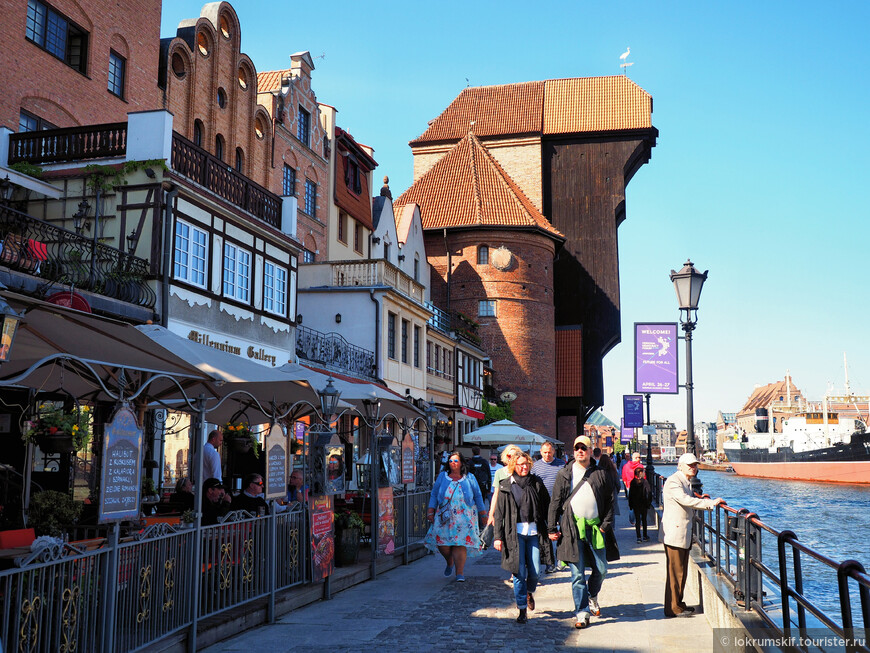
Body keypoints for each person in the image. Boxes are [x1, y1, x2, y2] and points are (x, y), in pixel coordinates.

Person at [547, 434, 615, 630]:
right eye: (576, 448)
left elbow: (611, 500)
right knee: (577, 575)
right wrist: (552, 527)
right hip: (571, 529)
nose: (579, 451)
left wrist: (605, 524)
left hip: (595, 528)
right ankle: (582, 612)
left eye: (583, 448)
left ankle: (592, 595)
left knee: (601, 570)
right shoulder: (565, 473)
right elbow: (555, 502)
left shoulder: (600, 473)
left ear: (589, 450)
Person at [661, 452, 724, 618]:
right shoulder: (674, 481)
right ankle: (673, 608)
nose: (693, 467)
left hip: (681, 532)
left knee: (680, 571)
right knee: (676, 572)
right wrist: (709, 503)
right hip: (675, 532)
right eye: (690, 465)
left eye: (695, 464)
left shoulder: (684, 481)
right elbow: (686, 501)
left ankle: (678, 605)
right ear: (680, 466)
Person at [493, 452, 552, 624]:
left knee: (534, 571)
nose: (524, 467)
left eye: (526, 464)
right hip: (514, 534)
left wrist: (551, 527)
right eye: (520, 464)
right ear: (513, 466)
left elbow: (547, 506)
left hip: (534, 532)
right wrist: (498, 537)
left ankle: (529, 592)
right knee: (519, 573)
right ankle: (521, 609)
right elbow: (499, 514)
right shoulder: (506, 485)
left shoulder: (536, 483)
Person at [424, 451, 486, 582]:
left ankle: (460, 573)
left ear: (462, 463)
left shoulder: (469, 477)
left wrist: (483, 514)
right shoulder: (442, 476)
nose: (453, 463)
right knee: (442, 543)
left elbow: (478, 495)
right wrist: (430, 510)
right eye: (451, 461)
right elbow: (434, 494)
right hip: (444, 516)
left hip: (465, 516)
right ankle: (449, 561)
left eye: (456, 461)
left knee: (460, 543)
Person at [531, 441, 565, 573]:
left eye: (549, 452)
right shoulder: (535, 467)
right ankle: (550, 563)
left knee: (564, 530)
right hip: (544, 505)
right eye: (544, 452)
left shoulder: (561, 464)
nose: (547, 455)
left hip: (561, 503)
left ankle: (562, 558)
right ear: (540, 452)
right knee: (546, 534)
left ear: (553, 451)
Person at [488, 444, 522, 526]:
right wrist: (491, 514)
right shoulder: (499, 472)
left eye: (515, 456)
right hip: (503, 509)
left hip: (519, 511)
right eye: (509, 455)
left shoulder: (521, 472)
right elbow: (496, 495)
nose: (511, 458)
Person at [628, 467, 653, 542]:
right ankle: (645, 535)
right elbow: (649, 492)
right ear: (641, 473)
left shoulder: (633, 482)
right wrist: (649, 502)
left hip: (635, 503)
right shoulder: (645, 482)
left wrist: (630, 504)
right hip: (644, 502)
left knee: (637, 520)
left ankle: (638, 537)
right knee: (644, 519)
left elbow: (630, 494)